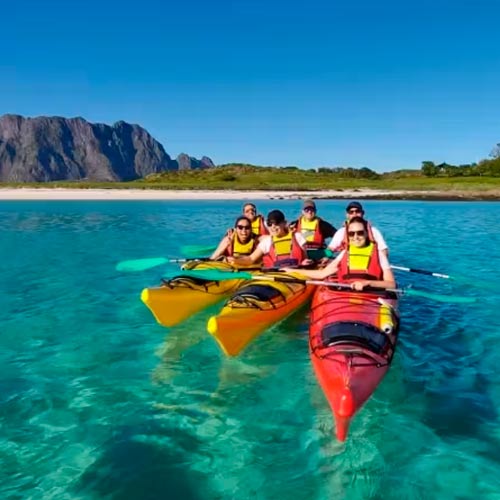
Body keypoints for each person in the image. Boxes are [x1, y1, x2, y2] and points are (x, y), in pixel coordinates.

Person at [284, 216, 395, 291]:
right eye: (351, 234)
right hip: (345, 295)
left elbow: (391, 284)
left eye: (360, 233)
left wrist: (368, 283)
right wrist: (291, 270)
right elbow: (322, 274)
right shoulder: (343, 254)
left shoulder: (379, 254)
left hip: (371, 296)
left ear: (367, 233)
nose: (355, 237)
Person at [227, 209, 310, 268]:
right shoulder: (267, 242)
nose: (273, 227)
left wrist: (305, 263)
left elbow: (305, 258)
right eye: (270, 224)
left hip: (297, 274)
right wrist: (235, 259)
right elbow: (251, 259)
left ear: (284, 223)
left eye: (276, 223)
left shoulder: (298, 237)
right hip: (276, 276)